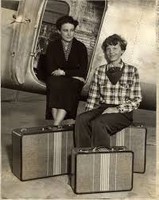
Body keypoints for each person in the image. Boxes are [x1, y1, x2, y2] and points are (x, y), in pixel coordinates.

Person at [75, 34, 142, 148]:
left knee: (99, 123)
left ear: (122, 51)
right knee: (81, 119)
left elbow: (136, 100)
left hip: (122, 112)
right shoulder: (99, 71)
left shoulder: (131, 70)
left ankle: (102, 155)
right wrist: (88, 114)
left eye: (115, 48)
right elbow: (93, 98)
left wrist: (116, 109)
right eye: (108, 49)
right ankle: (84, 154)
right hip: (103, 108)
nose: (111, 52)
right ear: (105, 52)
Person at [45, 15, 88, 126]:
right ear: (59, 31)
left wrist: (64, 72)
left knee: (70, 86)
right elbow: (50, 68)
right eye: (65, 30)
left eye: (72, 30)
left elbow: (83, 71)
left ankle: (55, 125)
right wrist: (73, 74)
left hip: (72, 81)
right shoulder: (52, 46)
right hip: (58, 79)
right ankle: (57, 125)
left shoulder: (81, 47)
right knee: (55, 84)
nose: (69, 34)